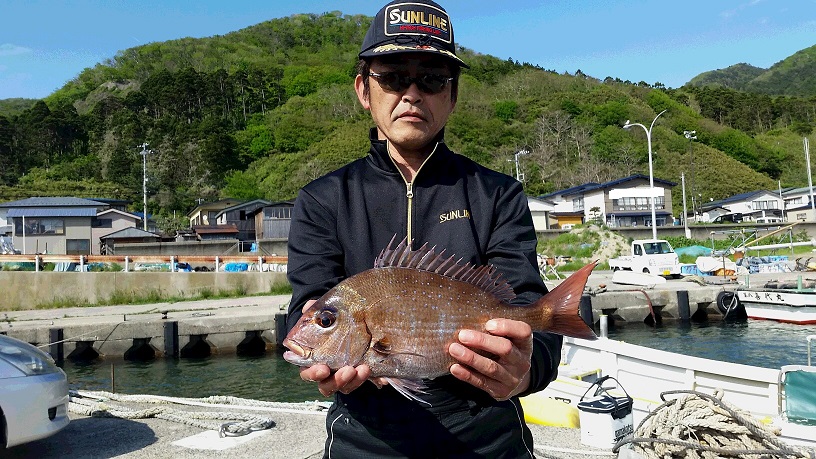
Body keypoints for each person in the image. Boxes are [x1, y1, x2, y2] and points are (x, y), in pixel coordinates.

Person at [286, 1, 562, 456]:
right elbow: (310, 306)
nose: (412, 93)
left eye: (432, 79)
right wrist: (322, 356)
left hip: (488, 440)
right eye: (393, 77)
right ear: (363, 89)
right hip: (364, 443)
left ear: (451, 96)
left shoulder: (498, 194)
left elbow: (534, 314)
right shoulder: (322, 199)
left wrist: (527, 370)